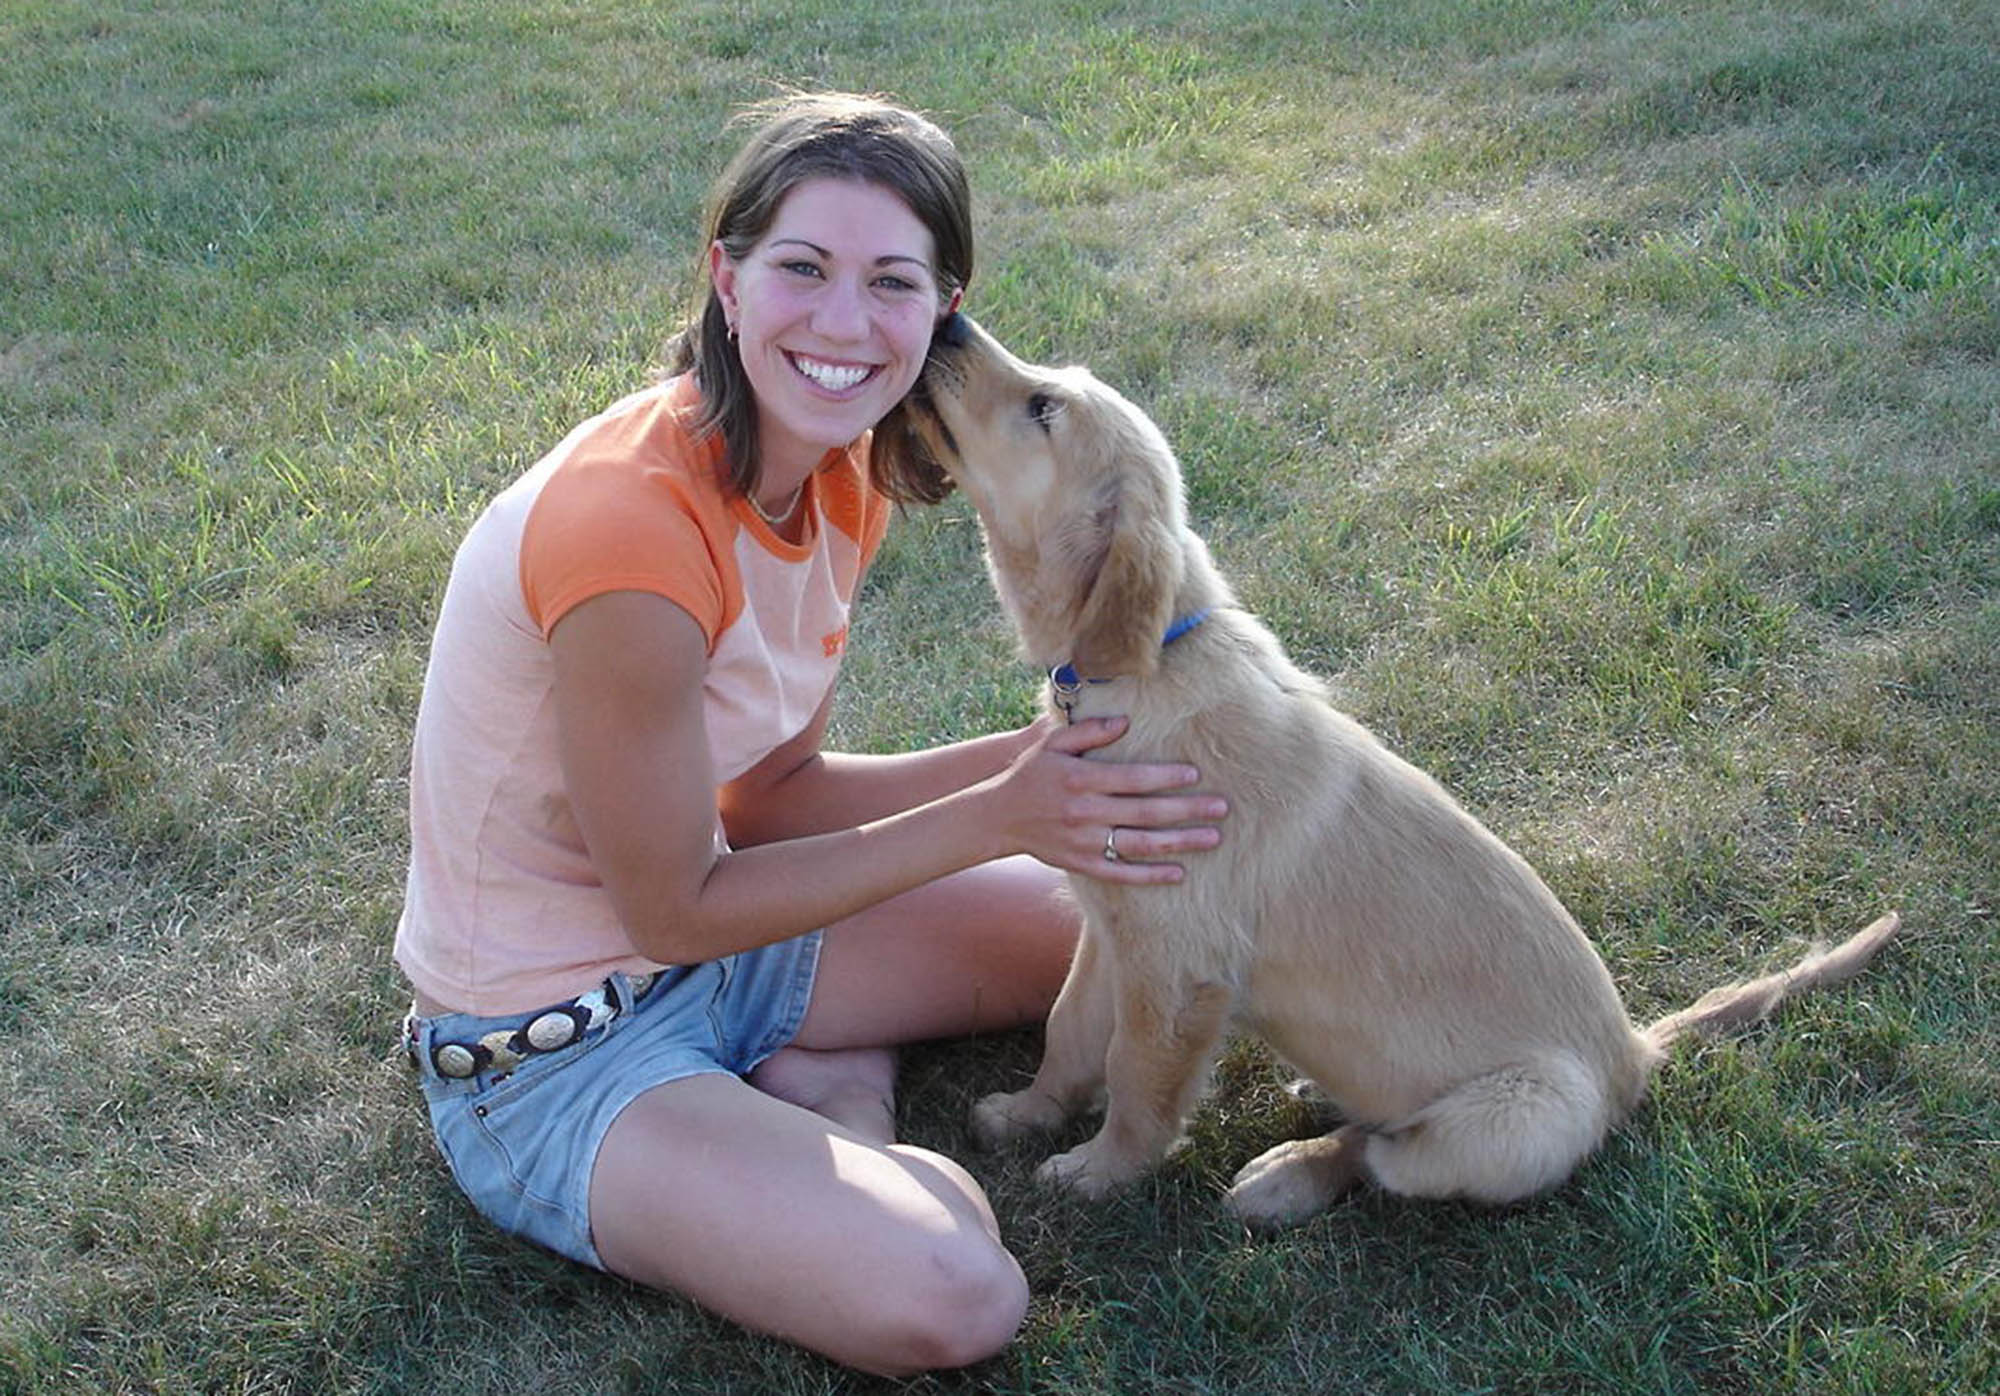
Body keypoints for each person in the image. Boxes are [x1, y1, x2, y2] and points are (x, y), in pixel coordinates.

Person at [393, 92, 1227, 1376]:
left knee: (1131, 929)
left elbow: (772, 794)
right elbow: (675, 910)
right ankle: (829, 1093)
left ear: (943, 310)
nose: (844, 325)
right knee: (955, 1285)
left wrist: (1049, 767)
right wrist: (1001, 810)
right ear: (725, 279)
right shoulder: (628, 536)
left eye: (893, 283)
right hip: (554, 1043)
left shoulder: (834, 469)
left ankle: (821, 1081)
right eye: (801, 269)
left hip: (748, 946)